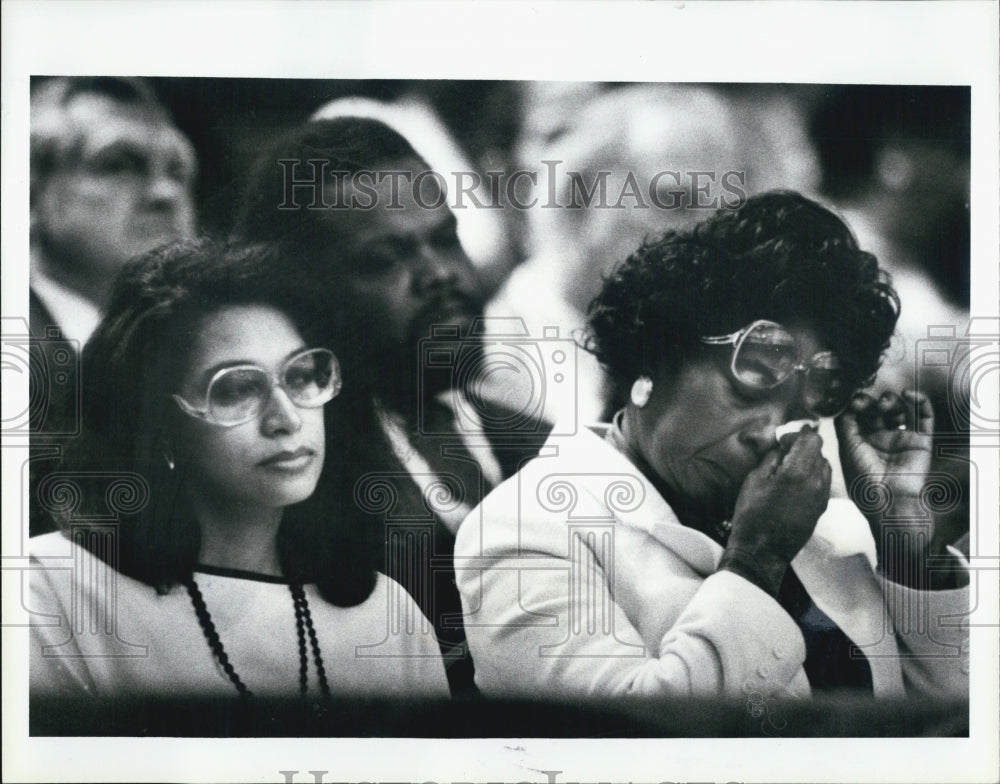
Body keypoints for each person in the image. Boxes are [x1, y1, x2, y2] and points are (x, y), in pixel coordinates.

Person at [454, 192, 969, 702]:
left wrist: (905, 548)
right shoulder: (525, 527)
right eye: (748, 388)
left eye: (800, 411)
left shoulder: (830, 529)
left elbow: (947, 722)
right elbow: (623, 746)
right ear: (653, 355)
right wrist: (756, 559)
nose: (770, 432)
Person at [29, 240, 448, 703]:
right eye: (237, 389)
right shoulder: (52, 589)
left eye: (303, 375)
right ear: (158, 425)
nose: (286, 418)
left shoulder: (386, 614)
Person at [233, 117, 553, 695]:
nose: (440, 275)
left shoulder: (544, 443)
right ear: (307, 297)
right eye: (386, 259)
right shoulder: (296, 498)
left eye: (446, 239)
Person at [28, 76, 198, 536]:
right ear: (27, 197)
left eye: (178, 172)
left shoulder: (196, 351)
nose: (165, 193)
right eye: (120, 165)